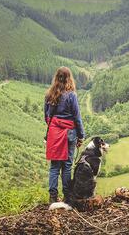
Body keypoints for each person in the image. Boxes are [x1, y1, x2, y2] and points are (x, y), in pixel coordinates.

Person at [44, 66, 85, 204]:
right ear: (69, 78)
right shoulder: (71, 95)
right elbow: (77, 117)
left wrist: (56, 127)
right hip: (69, 134)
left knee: (54, 166)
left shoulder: (49, 94)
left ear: (56, 77)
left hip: (54, 133)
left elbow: (47, 117)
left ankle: (53, 197)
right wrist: (81, 136)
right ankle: (67, 196)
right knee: (67, 165)